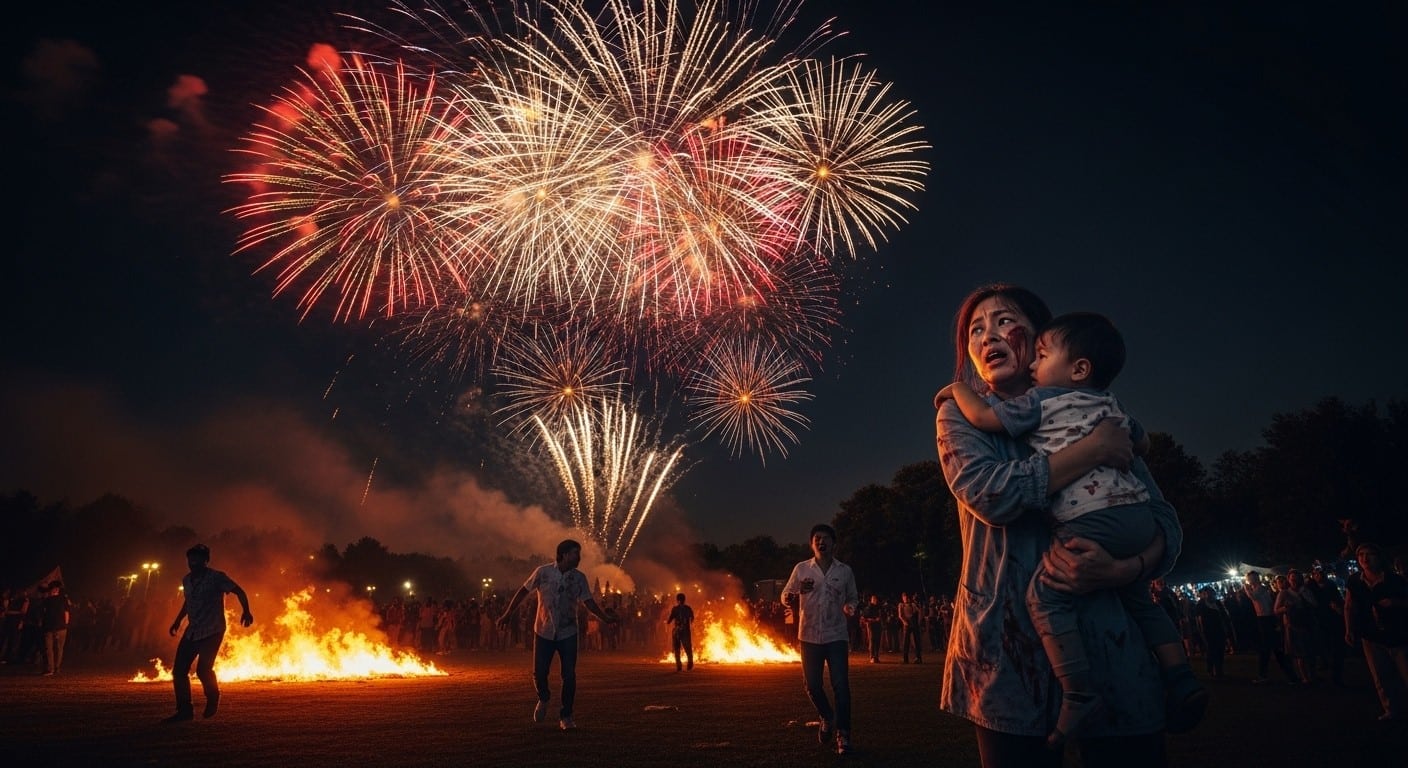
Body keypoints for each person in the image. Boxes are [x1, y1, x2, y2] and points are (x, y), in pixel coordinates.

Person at [934, 283, 1185, 767]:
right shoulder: (960, 415)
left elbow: (1164, 523)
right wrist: (1089, 452)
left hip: (1110, 645)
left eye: (1004, 321)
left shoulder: (1094, 408)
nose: (989, 336)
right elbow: (994, 495)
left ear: (1041, 339)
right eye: (976, 330)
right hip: (1009, 653)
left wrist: (1124, 568)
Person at [497, 539, 619, 731]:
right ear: (563, 554)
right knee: (539, 673)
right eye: (575, 553)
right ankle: (544, 698)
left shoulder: (579, 578)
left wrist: (604, 617)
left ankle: (566, 715)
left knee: (569, 675)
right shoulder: (543, 572)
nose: (578, 557)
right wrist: (507, 614)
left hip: (568, 632)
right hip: (544, 630)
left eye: (578, 554)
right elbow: (523, 592)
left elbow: (589, 602)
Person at [782, 523, 859, 755]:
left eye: (826, 538)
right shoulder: (802, 569)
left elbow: (853, 597)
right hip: (809, 635)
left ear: (834, 543)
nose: (821, 541)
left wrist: (850, 607)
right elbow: (785, 596)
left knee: (841, 686)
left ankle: (843, 735)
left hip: (836, 635)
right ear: (811, 543)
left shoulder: (844, 571)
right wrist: (796, 592)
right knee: (813, 685)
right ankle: (826, 716)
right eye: (817, 538)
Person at [164, 544, 253, 723]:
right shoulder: (187, 580)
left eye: (198, 559)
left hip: (213, 630)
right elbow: (188, 602)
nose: (193, 562)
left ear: (206, 560)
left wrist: (246, 611)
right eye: (191, 559)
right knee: (179, 671)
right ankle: (184, 711)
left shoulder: (216, 577)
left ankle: (213, 696)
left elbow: (239, 591)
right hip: (193, 631)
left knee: (203, 669)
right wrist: (178, 620)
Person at [1344, 542, 1408, 721]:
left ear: (1378, 557)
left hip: (1397, 634)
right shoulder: (1355, 581)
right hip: (1371, 635)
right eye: (1360, 555)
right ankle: (1390, 709)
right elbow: (1349, 606)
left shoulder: (1395, 580)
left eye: (1369, 554)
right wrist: (1348, 629)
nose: (1364, 558)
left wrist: (1394, 603)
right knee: (1380, 675)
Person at [1243, 570, 1299, 684]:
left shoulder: (1260, 589)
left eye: (1250, 578)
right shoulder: (1259, 589)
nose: (1248, 581)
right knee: (1269, 649)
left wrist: (1246, 587)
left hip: (1266, 619)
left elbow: (1253, 597)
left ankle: (1288, 676)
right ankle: (1288, 676)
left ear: (1255, 579)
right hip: (1264, 619)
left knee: (1270, 649)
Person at [1193, 586, 1229, 679]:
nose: (1209, 595)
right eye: (1207, 593)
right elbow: (1199, 620)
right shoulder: (1201, 605)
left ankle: (1219, 669)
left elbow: (1224, 616)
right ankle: (1212, 669)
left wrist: (1226, 627)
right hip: (1208, 631)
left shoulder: (1217, 603)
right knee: (1212, 650)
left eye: (1211, 593)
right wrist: (1201, 631)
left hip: (1220, 630)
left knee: (1220, 650)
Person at [38, 580, 69, 676]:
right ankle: (53, 668)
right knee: (54, 649)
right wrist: (65, 624)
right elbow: (66, 613)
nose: (50, 591)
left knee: (53, 649)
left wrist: (65, 624)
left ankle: (53, 668)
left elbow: (66, 613)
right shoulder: (49, 600)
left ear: (55, 590)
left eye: (50, 589)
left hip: (55, 627)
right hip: (53, 627)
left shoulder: (60, 599)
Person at [665, 592, 695, 671]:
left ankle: (679, 666)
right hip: (684, 631)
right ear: (684, 600)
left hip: (678, 631)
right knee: (687, 648)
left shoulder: (675, 609)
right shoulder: (687, 608)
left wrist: (667, 622)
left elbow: (670, 619)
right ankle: (689, 664)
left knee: (677, 649)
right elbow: (692, 618)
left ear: (677, 600)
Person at [896, 592, 923, 664]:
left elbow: (919, 611)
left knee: (916, 640)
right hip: (906, 624)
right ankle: (905, 658)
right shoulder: (901, 605)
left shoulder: (912, 604)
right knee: (906, 641)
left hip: (913, 623)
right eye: (904, 597)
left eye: (906, 597)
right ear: (902, 598)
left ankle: (918, 658)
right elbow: (900, 615)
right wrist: (904, 622)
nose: (906, 599)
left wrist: (919, 621)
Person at [860, 594, 883, 663]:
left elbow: (881, 616)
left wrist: (880, 619)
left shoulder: (878, 608)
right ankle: (872, 657)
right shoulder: (868, 608)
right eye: (874, 599)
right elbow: (863, 618)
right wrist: (872, 620)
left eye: (876, 599)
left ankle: (876, 656)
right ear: (871, 600)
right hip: (872, 626)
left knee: (877, 641)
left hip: (878, 626)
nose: (875, 601)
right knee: (872, 641)